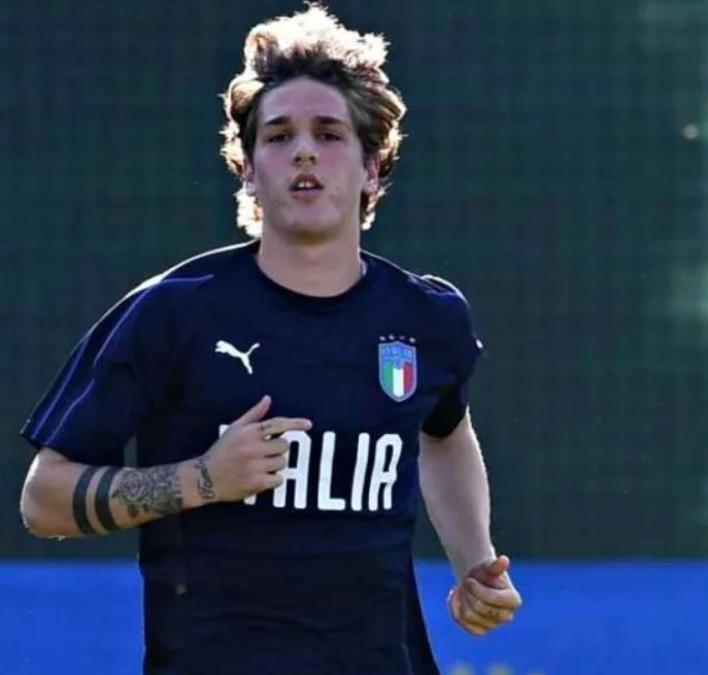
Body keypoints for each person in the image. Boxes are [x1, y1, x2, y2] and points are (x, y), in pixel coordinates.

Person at [19, 6, 520, 674]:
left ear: (372, 168)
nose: (305, 151)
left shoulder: (426, 317)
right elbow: (43, 498)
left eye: (329, 133)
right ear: (249, 170)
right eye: (279, 136)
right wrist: (202, 478)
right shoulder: (171, 313)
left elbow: (444, 430)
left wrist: (475, 561)